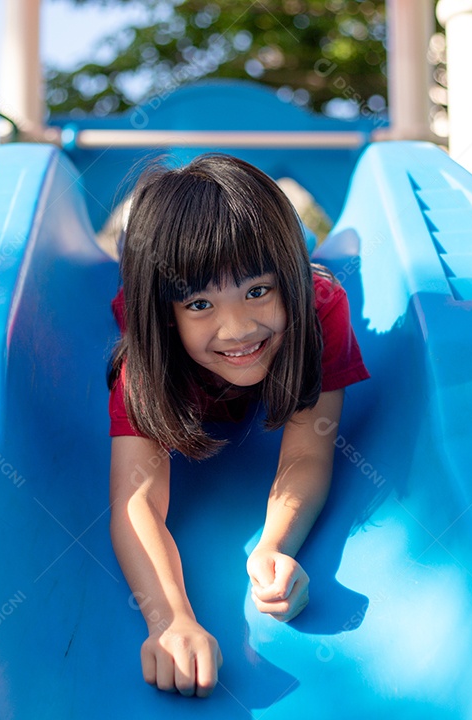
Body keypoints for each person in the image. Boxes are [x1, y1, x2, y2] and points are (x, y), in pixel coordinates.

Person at [107, 153, 369, 699]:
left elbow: (309, 452)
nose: (238, 328)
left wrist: (275, 544)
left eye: (257, 291)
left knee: (290, 242)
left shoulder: (318, 309)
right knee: (135, 251)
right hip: (143, 270)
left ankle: (285, 245)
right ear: (168, 313)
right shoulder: (148, 353)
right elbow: (138, 502)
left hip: (293, 258)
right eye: (200, 304)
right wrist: (170, 619)